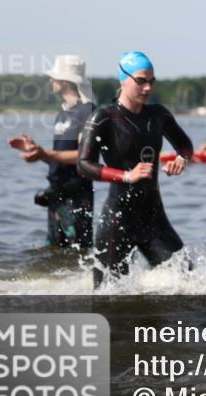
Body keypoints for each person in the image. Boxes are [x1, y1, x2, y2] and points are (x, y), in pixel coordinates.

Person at [78, 51, 194, 288]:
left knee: (189, 280)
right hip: (118, 220)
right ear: (123, 80)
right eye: (141, 81)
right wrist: (126, 175)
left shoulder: (159, 115)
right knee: (107, 294)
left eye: (151, 81)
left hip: (154, 218)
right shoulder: (103, 117)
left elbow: (185, 145)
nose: (147, 87)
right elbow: (84, 165)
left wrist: (182, 159)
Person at [12, 55, 95, 249]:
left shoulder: (87, 112)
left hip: (77, 196)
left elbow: (84, 157)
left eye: (53, 77)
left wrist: (44, 154)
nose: (50, 80)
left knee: (78, 252)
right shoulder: (62, 114)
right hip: (56, 193)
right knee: (54, 252)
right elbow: (59, 157)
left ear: (65, 81)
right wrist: (37, 151)